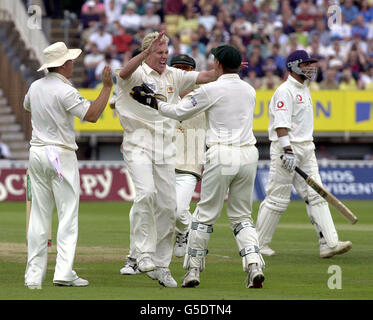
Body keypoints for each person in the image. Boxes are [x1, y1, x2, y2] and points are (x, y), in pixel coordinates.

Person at [130, 44, 265, 289]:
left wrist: (152, 102)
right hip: (248, 155)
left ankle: (192, 271)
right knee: (242, 216)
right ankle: (254, 264)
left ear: (219, 65)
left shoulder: (210, 90)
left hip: (222, 153)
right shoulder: (249, 90)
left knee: (204, 215)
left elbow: (177, 112)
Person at [115, 31, 217, 287]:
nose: (164, 56)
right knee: (146, 194)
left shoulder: (174, 75)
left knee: (169, 208)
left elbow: (205, 76)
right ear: (148, 53)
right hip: (138, 143)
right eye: (159, 52)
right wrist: (144, 54)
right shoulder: (136, 73)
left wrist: (228, 67)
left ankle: (162, 266)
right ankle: (142, 255)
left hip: (164, 147)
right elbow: (123, 74)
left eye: (165, 51)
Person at [23, 42, 113, 289]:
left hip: (37, 153)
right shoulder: (65, 90)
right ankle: (63, 272)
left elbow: (27, 105)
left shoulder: (35, 86)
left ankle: (33, 276)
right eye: (71, 60)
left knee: (40, 216)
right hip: (59, 155)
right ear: (63, 64)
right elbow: (93, 115)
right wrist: (106, 88)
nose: (74, 63)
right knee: (67, 215)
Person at [255, 50, 352, 259]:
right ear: (294, 66)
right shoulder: (284, 91)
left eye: (311, 64)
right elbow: (281, 125)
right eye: (306, 64)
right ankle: (258, 245)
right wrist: (287, 150)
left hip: (307, 148)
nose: (311, 68)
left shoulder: (305, 88)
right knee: (277, 200)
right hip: (287, 150)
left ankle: (329, 244)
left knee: (317, 195)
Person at [168, 54, 206, 258]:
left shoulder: (205, 96)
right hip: (163, 161)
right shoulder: (164, 93)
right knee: (161, 211)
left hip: (190, 164)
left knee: (178, 210)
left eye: (187, 69)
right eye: (178, 68)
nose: (182, 73)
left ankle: (185, 232)